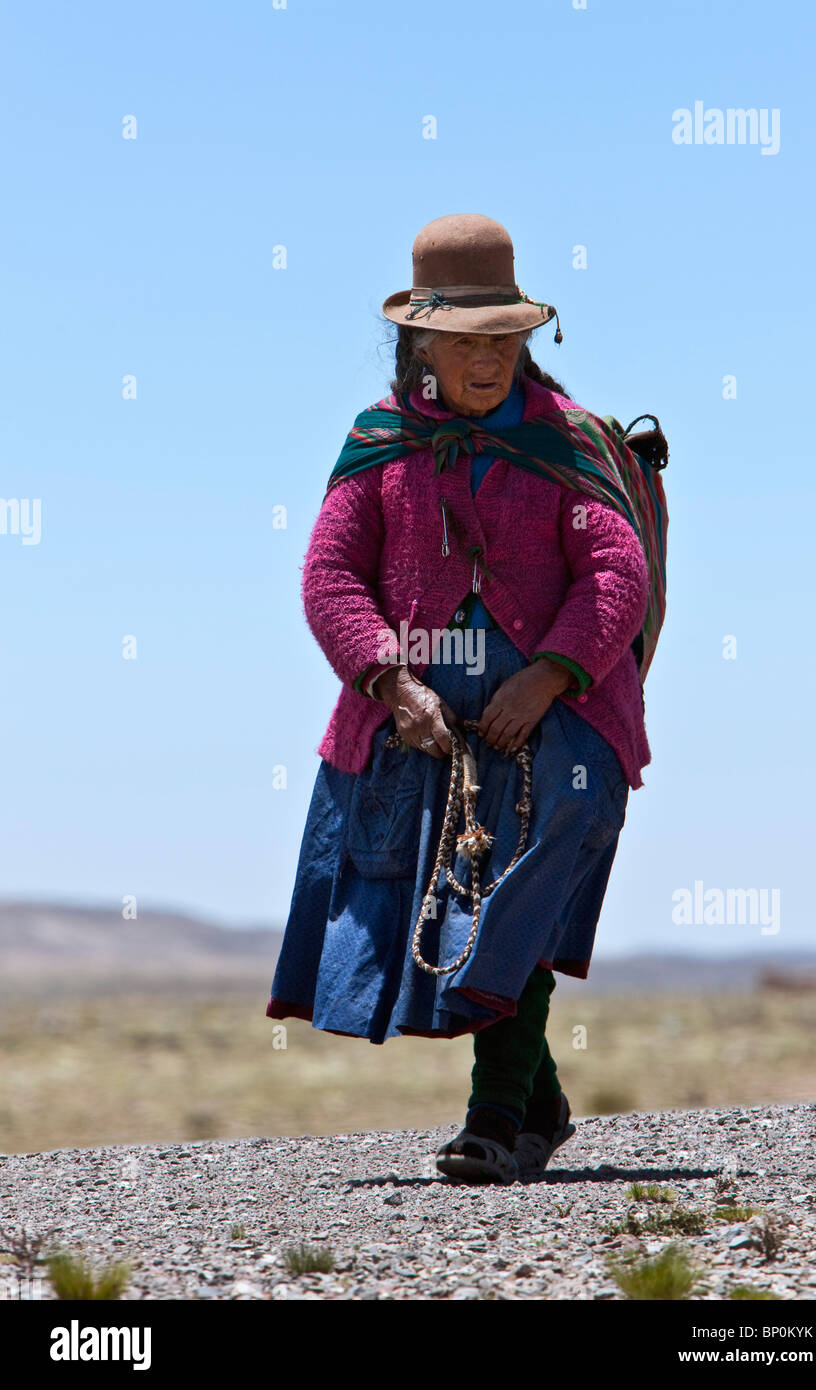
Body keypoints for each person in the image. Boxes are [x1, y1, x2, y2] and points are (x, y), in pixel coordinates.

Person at [267, 213, 660, 1184]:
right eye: (465, 342)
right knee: (448, 900)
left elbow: (616, 571)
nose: (487, 361)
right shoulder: (379, 444)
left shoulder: (565, 443)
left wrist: (550, 672)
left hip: (556, 707)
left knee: (531, 863)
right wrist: (391, 682)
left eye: (504, 340)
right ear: (420, 343)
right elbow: (329, 577)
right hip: (419, 722)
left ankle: (492, 1118)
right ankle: (538, 1105)